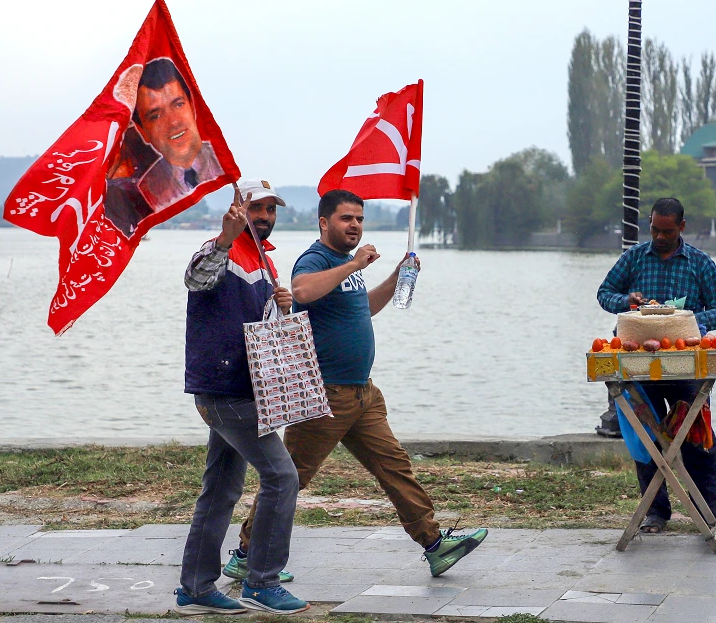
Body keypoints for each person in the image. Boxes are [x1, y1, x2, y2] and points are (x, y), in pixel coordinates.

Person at [231, 189, 488, 578]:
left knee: (395, 466)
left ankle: (435, 545)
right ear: (324, 222)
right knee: (289, 479)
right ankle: (245, 555)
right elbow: (300, 292)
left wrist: (396, 276)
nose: (354, 225)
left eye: (359, 219)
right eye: (346, 218)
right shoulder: (318, 258)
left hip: (363, 393)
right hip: (325, 395)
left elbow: (362, 307)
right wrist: (352, 264)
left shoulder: (344, 265)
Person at [175, 179, 309, 616]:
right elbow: (195, 278)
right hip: (226, 391)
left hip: (241, 391)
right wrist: (225, 237)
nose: (265, 217)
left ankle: (195, 589)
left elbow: (259, 334)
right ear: (237, 209)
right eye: (257, 208)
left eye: (271, 210)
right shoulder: (223, 250)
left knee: (221, 489)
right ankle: (262, 582)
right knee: (282, 477)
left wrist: (281, 305)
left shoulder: (264, 263)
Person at [596, 197, 716, 542]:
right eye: (655, 230)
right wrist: (627, 302)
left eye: (668, 230)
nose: (660, 236)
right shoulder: (633, 258)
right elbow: (605, 293)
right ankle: (656, 511)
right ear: (649, 224)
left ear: (682, 227)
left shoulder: (700, 263)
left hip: (684, 364)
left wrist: (686, 321)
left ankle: (711, 514)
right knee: (646, 439)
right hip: (637, 364)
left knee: (697, 437)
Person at [105, 58, 224, 236]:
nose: (173, 122)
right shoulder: (144, 191)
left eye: (178, 104)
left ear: (192, 107)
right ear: (143, 132)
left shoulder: (221, 164)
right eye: (156, 116)